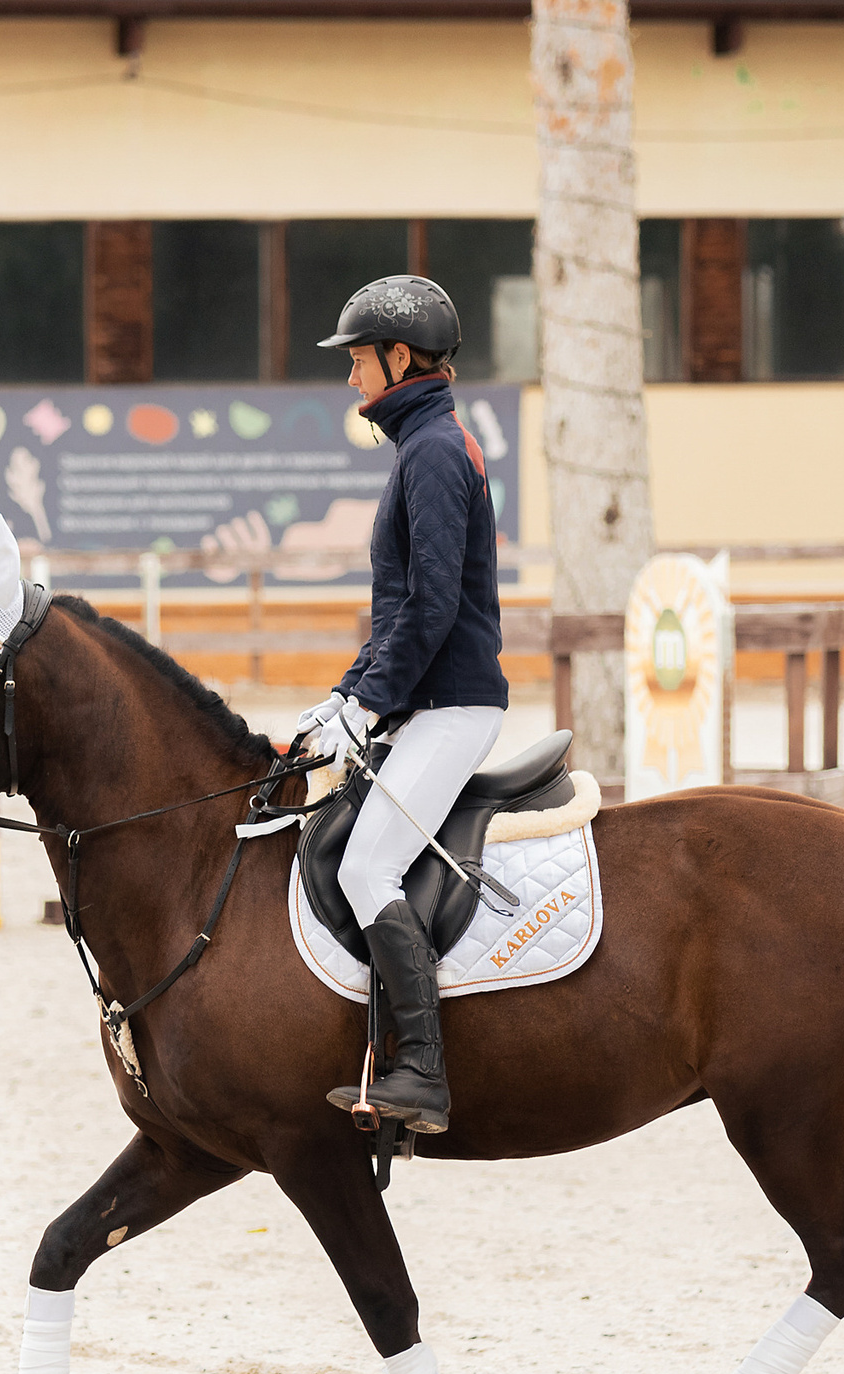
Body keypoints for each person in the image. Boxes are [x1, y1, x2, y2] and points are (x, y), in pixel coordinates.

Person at [293, 274, 508, 1136]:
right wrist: (348, 696)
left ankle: (421, 1070)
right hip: (423, 702)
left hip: (453, 706)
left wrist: (368, 700)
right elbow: (400, 614)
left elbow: (431, 611)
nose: (350, 378)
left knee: (364, 867)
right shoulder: (422, 444)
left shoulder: (432, 452)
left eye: (357, 360)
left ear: (399, 357)